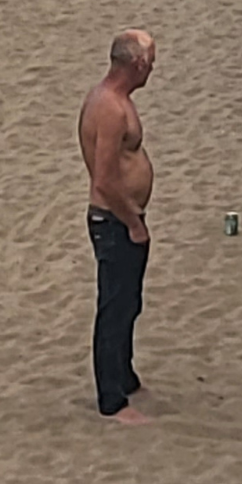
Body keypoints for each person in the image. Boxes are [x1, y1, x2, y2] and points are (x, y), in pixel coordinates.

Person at [78, 29, 157, 424]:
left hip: (122, 217)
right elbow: (104, 179)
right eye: (151, 62)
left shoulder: (116, 100)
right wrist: (132, 221)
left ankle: (124, 376)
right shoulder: (109, 107)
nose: (153, 69)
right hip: (114, 220)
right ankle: (111, 399)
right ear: (136, 64)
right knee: (114, 307)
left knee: (128, 303)